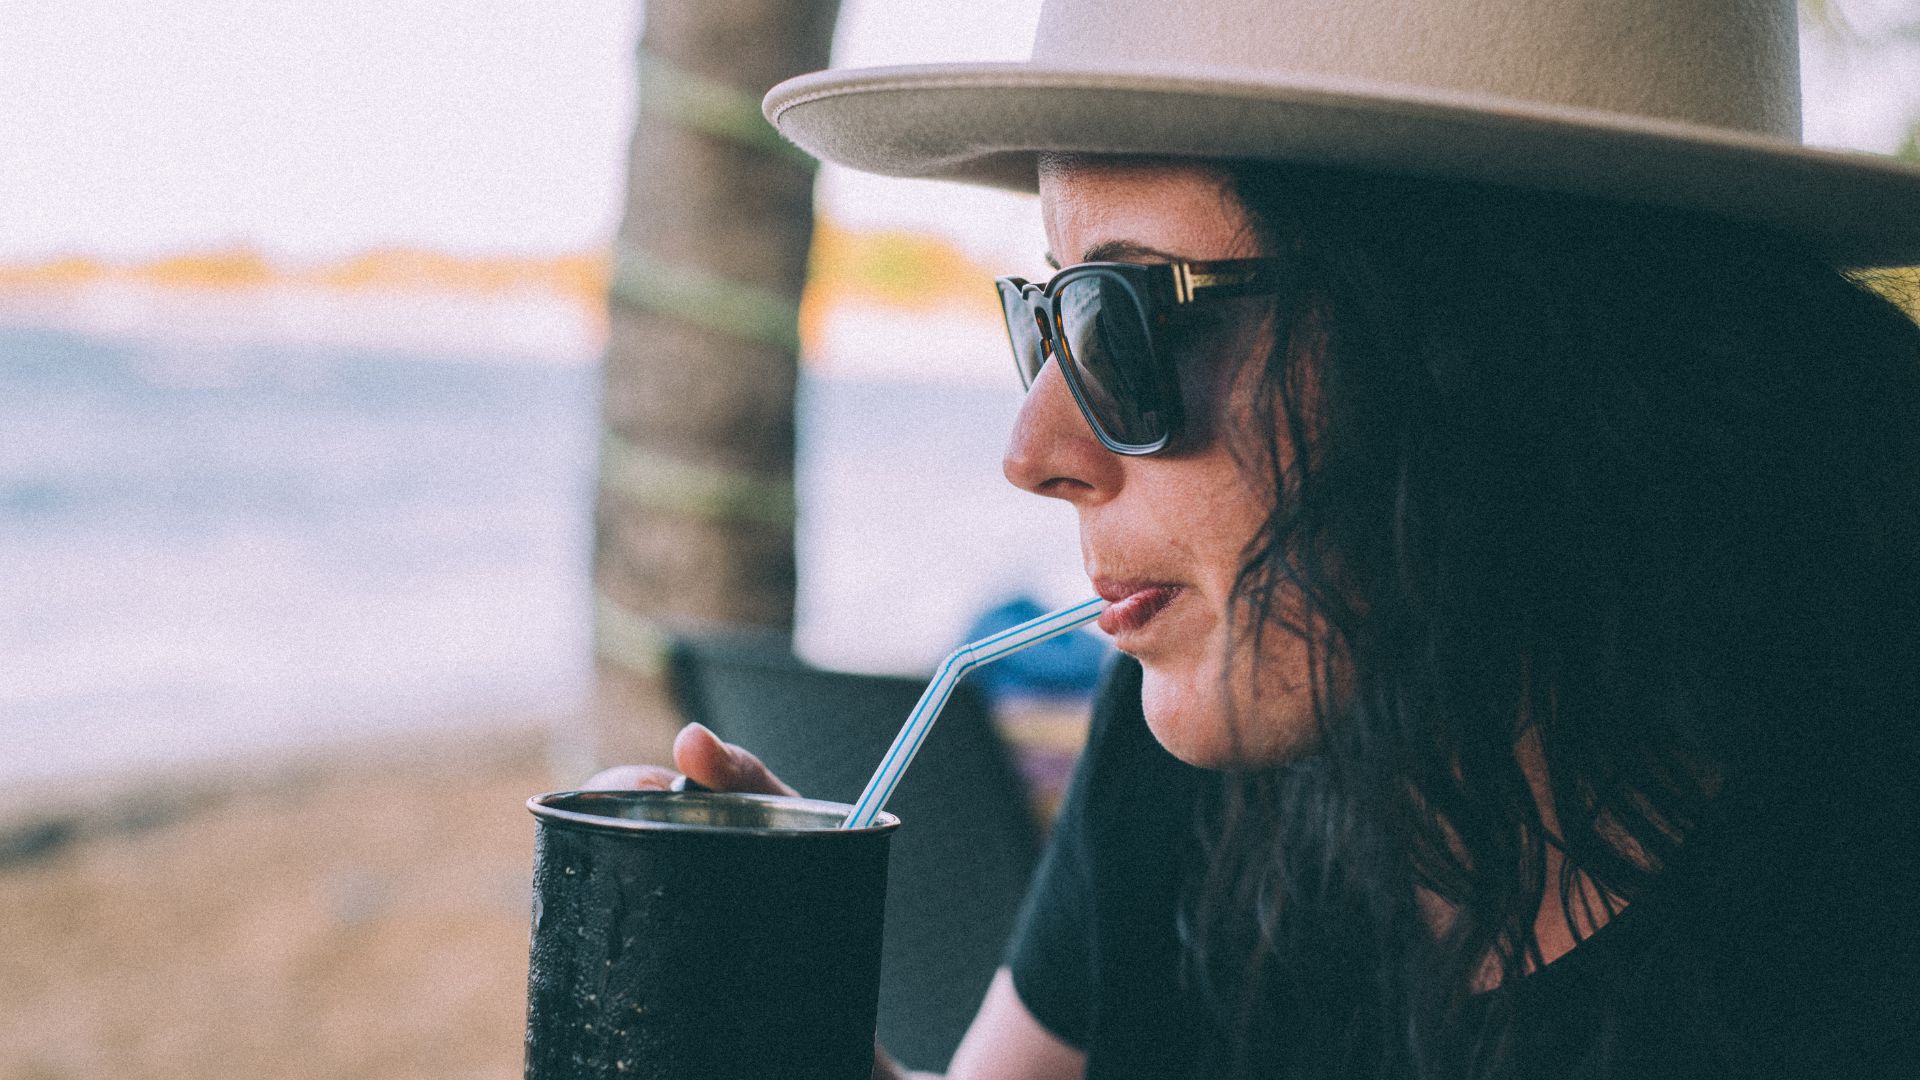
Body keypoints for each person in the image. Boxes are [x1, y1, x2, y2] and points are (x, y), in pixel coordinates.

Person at [594, 0, 1920, 1076]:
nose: (1034, 451)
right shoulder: (1202, 719)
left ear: (1497, 345)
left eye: (1122, 321)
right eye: (1045, 317)